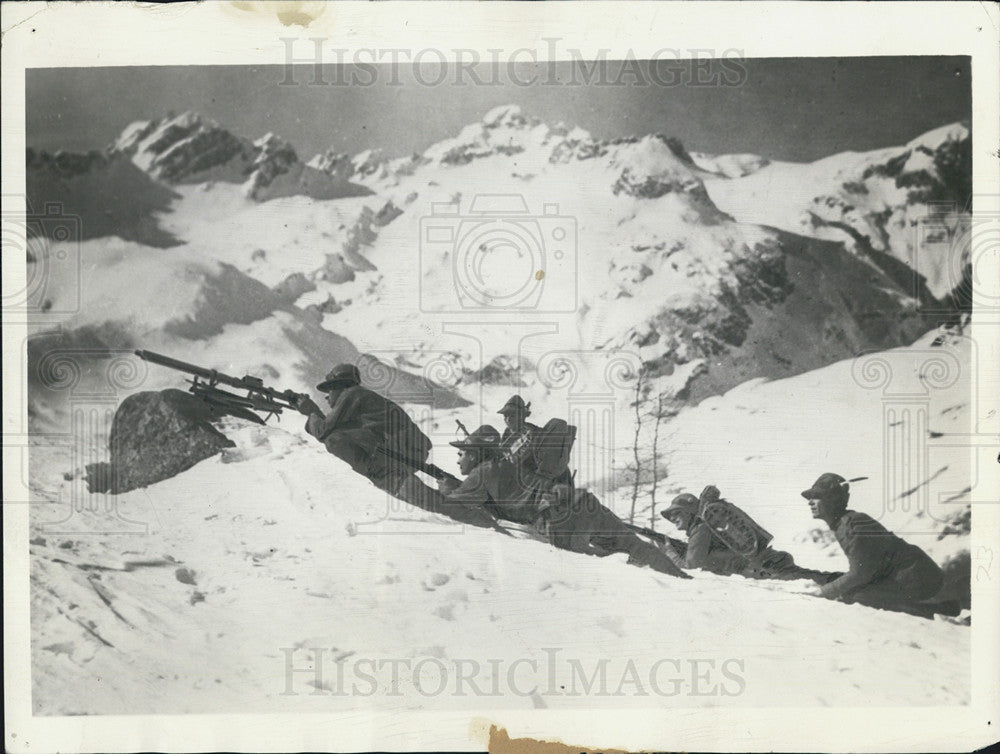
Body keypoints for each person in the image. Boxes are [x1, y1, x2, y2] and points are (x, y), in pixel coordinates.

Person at [441, 431, 690, 579]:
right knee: (631, 544)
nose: (458, 460)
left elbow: (448, 505)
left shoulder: (482, 472)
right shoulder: (507, 466)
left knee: (580, 571)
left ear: (473, 454)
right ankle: (683, 580)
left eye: (460, 454)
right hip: (581, 501)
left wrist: (447, 488)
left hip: (561, 517)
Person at [297, 364, 500, 530]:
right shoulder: (360, 399)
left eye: (329, 390)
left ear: (340, 386)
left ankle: (486, 523)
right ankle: (482, 517)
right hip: (405, 451)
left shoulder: (352, 394)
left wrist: (310, 412)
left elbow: (324, 430)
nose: (326, 396)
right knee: (436, 502)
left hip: (399, 456)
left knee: (434, 504)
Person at [802, 472, 948, 618]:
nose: (810, 502)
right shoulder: (846, 522)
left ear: (832, 500)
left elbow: (860, 573)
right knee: (850, 592)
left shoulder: (851, 525)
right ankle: (941, 608)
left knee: (858, 598)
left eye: (817, 497)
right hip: (915, 574)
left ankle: (938, 611)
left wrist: (825, 591)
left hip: (918, 577)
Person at [661, 489, 834, 582]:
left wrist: (669, 552)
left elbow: (692, 567)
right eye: (671, 516)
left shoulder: (701, 530)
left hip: (762, 570)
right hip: (768, 561)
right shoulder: (705, 527)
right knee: (817, 578)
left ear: (689, 512)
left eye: (677, 513)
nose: (673, 518)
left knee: (819, 583)